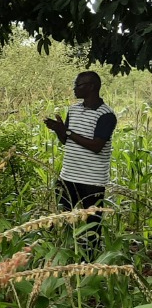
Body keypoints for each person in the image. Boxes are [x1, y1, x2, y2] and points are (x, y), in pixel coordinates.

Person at [44, 71, 116, 243]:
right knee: (59, 219)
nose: (74, 88)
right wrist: (59, 130)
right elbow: (66, 140)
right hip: (68, 176)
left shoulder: (106, 115)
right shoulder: (74, 109)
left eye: (78, 85)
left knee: (92, 226)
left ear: (91, 87)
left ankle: (89, 262)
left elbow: (97, 146)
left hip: (92, 180)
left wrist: (67, 131)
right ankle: (59, 255)